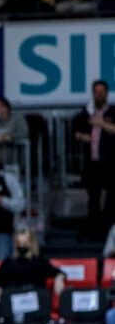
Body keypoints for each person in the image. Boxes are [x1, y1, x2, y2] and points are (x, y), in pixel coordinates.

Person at [72, 80, 115, 239]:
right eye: (96, 91)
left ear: (107, 93)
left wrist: (101, 123)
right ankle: (94, 231)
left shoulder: (113, 112)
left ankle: (108, 231)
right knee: (93, 198)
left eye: (102, 91)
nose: (99, 94)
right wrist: (81, 136)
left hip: (110, 163)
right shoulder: (87, 112)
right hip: (92, 163)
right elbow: (76, 130)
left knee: (111, 198)